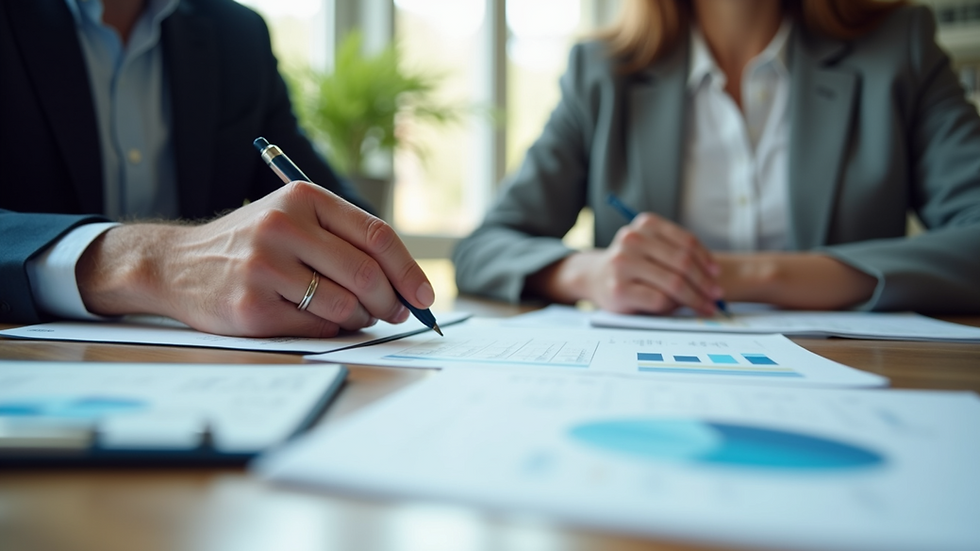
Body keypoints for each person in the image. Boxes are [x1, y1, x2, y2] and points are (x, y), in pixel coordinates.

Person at [453, 0, 980, 315]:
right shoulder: (602, 73)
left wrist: (756, 275)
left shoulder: (900, 48)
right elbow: (483, 250)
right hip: (649, 385)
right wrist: (590, 273)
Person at [0, 0, 436, 337]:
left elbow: (325, 204)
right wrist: (157, 264)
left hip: (209, 367)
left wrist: (357, 256)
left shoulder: (237, 36)